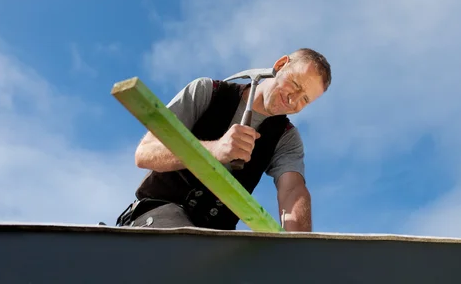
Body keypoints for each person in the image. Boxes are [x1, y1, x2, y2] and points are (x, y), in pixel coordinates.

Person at [116, 48, 331, 232]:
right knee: (190, 247)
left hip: (214, 240)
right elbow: (144, 153)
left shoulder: (286, 138)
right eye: (295, 83)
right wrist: (214, 150)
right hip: (157, 216)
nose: (294, 99)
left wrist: (301, 249)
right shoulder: (208, 92)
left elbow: (292, 191)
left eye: (305, 99)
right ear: (281, 64)